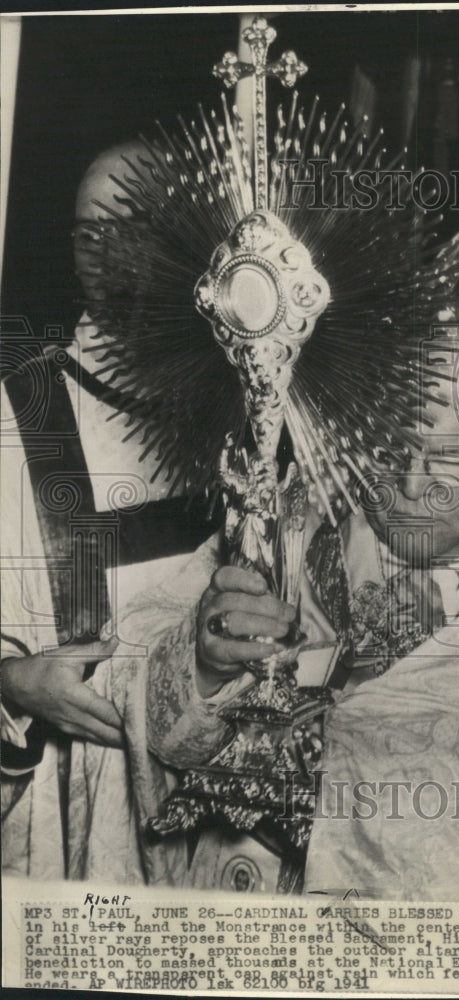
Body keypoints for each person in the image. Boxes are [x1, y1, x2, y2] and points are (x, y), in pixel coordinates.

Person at [58, 225, 459, 900]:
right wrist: (203, 665)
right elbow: (140, 660)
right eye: (390, 451)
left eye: (450, 463)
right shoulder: (312, 508)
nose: (412, 489)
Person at [1, 143, 216, 878]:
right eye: (88, 232)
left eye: (135, 225)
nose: (108, 252)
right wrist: (9, 684)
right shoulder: (21, 409)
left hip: (208, 814)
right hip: (61, 810)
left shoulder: (241, 411)